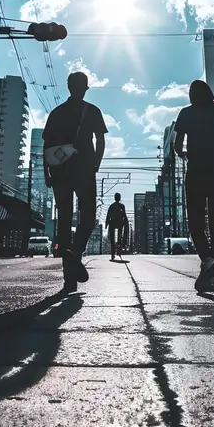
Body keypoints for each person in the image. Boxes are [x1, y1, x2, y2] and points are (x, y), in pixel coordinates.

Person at [43, 72, 108, 293]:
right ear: (86, 88)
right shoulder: (92, 111)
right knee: (87, 216)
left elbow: (47, 147)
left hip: (60, 171)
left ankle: (69, 279)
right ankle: (76, 252)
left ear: (68, 87)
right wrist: (96, 163)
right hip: (84, 169)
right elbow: (100, 140)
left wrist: (46, 173)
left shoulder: (56, 113)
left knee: (63, 219)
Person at [174, 80, 214, 293]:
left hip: (197, 172)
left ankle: (206, 259)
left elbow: (177, 146)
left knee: (196, 222)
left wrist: (186, 154)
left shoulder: (186, 113)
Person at [105, 192, 128, 260]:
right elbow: (124, 215)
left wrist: (106, 223)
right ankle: (118, 250)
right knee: (119, 237)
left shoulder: (112, 206)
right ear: (119, 198)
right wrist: (126, 222)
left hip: (112, 223)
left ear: (114, 198)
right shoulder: (122, 206)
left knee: (112, 238)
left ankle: (113, 252)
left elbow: (108, 215)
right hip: (120, 223)